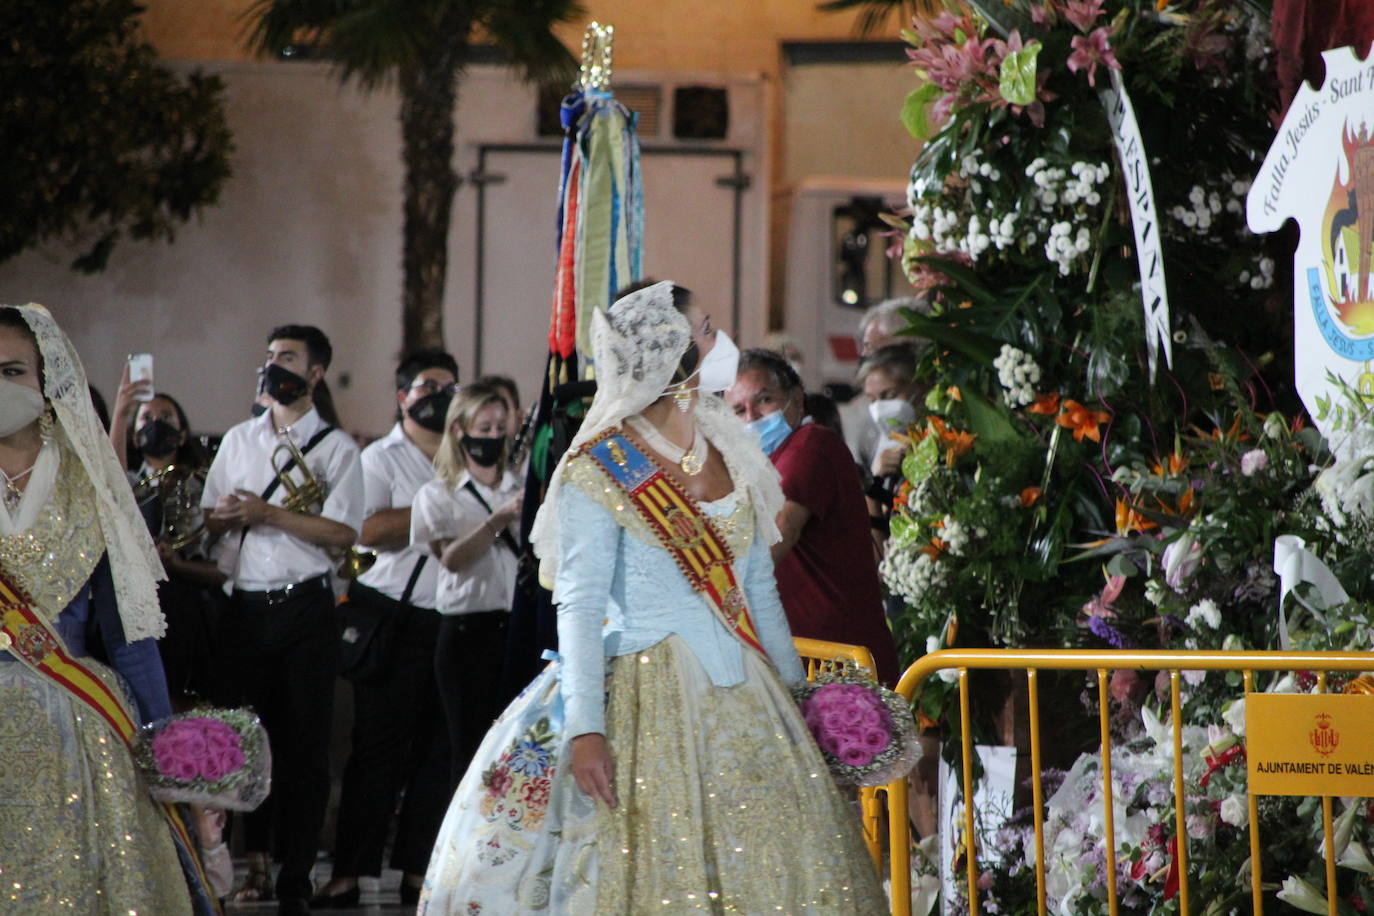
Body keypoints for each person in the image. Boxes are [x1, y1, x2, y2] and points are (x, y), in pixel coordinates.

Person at [418, 281, 886, 914]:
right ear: (672, 351)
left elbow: (758, 593)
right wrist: (586, 730)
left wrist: (800, 699)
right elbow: (579, 606)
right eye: (707, 328)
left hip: (746, 688)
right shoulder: (600, 466)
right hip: (641, 688)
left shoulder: (733, 451)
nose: (722, 341)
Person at [0, 304, 214, 912]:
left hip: (80, 727)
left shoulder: (89, 478)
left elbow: (130, 637)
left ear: (47, 379)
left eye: (12, 371)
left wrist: (169, 753)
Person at [201, 323, 365, 915]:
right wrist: (227, 516)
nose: (275, 365)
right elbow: (209, 519)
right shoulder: (240, 439)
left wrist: (267, 510)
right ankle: (256, 864)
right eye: (271, 356)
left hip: (306, 606)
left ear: (315, 373)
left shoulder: (339, 449)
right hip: (245, 607)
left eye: (288, 358)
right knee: (249, 740)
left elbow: (345, 533)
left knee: (306, 745)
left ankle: (297, 874)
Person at [312, 349, 459, 909]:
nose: (438, 396)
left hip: (450, 621)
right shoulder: (380, 458)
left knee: (438, 754)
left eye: (449, 386)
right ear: (402, 397)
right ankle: (350, 870)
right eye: (427, 387)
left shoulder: (470, 454)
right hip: (393, 618)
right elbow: (366, 529)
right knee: (377, 751)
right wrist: (438, 506)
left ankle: (419, 870)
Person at [727, 348, 901, 686]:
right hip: (803, 661)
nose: (751, 418)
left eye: (764, 400)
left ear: (796, 400)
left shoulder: (810, 445)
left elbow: (778, 533)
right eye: (737, 410)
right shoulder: (757, 466)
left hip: (840, 668)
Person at [410, 381, 523, 785]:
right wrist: (498, 520)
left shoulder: (519, 485)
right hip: (467, 634)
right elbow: (452, 559)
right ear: (459, 430)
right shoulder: (437, 494)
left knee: (518, 749)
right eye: (483, 427)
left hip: (514, 629)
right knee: (469, 751)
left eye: (499, 427)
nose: (492, 436)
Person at [109, 381, 225, 703]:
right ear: (134, 436)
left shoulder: (202, 484)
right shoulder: (132, 481)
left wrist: (179, 561)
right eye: (146, 418)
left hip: (187, 604)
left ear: (183, 433)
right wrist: (121, 412)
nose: (156, 424)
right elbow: (112, 480)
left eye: (166, 416)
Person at [843, 295, 929, 469]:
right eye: (865, 346)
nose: (866, 356)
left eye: (874, 347)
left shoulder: (947, 416)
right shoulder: (866, 421)